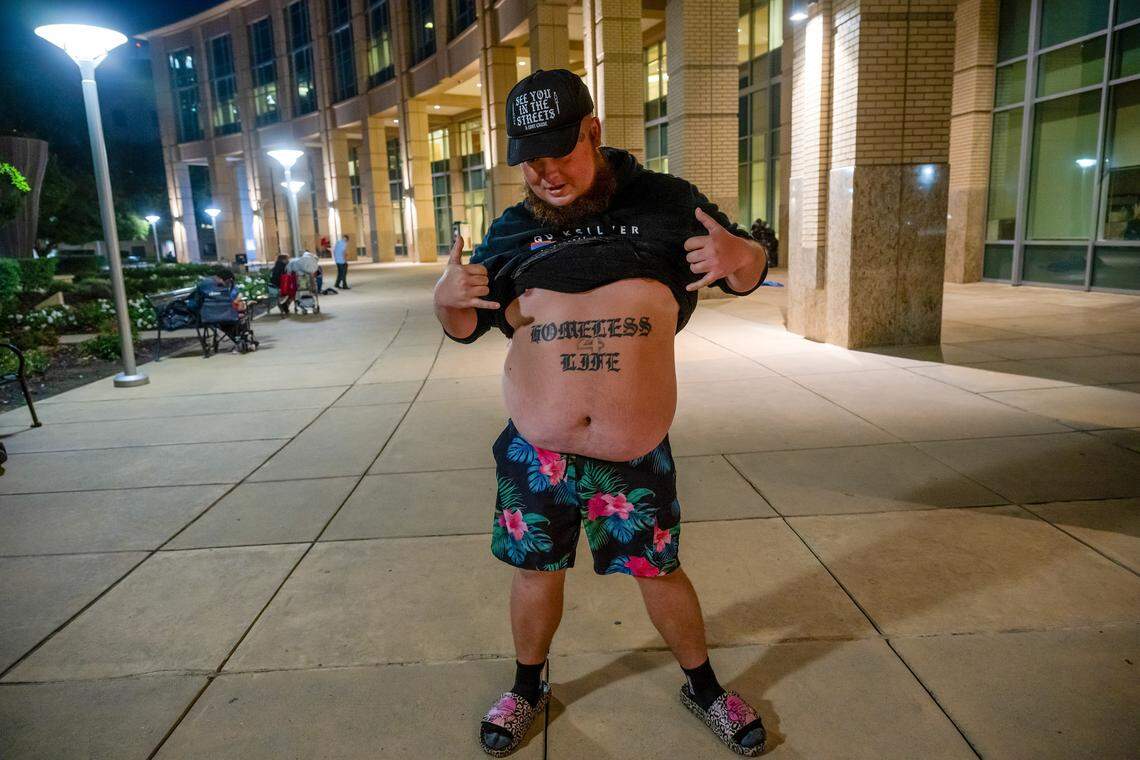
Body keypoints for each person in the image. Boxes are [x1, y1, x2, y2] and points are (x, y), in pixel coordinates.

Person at [433, 69, 769, 757]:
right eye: (529, 158)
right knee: (535, 572)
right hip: (537, 448)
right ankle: (528, 686)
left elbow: (742, 267)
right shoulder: (513, 229)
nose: (545, 172)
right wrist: (446, 298)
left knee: (660, 570)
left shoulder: (664, 202)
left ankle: (703, 686)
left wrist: (746, 255)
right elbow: (467, 323)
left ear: (594, 130)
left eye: (559, 150)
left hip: (632, 448)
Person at [188, 267, 247, 350]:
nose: (228, 284)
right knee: (233, 320)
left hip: (208, 316)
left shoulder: (203, 284)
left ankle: (239, 340)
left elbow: (195, 303)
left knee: (223, 320)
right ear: (223, 279)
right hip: (227, 315)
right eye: (228, 282)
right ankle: (242, 340)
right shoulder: (225, 287)